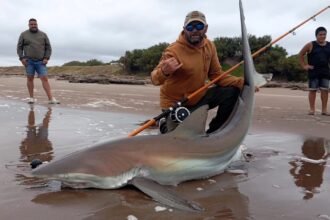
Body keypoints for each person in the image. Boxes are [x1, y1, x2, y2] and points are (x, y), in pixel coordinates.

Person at [151, 11, 244, 134]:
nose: (194, 30)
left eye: (199, 26)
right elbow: (154, 79)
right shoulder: (173, 51)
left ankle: (215, 132)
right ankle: (164, 123)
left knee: (231, 91)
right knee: (178, 142)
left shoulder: (210, 46)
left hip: (199, 96)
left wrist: (242, 82)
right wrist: (164, 71)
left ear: (205, 28)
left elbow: (216, 75)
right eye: (190, 27)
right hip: (176, 104)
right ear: (184, 29)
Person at [17, 18, 59, 104]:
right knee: (30, 78)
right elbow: (19, 48)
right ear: (28, 25)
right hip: (29, 61)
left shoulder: (43, 35)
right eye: (31, 24)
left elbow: (48, 48)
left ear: (37, 24)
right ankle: (31, 98)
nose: (33, 26)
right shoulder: (23, 34)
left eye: (35, 24)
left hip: (41, 61)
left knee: (44, 79)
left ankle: (51, 99)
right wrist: (22, 58)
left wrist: (46, 58)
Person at [299, 26, 330, 116]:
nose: (322, 36)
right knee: (313, 90)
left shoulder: (329, 45)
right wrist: (304, 65)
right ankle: (312, 109)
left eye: (324, 34)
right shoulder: (310, 44)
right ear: (316, 35)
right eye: (320, 34)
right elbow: (301, 54)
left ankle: (324, 110)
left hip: (325, 71)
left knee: (325, 91)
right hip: (313, 71)